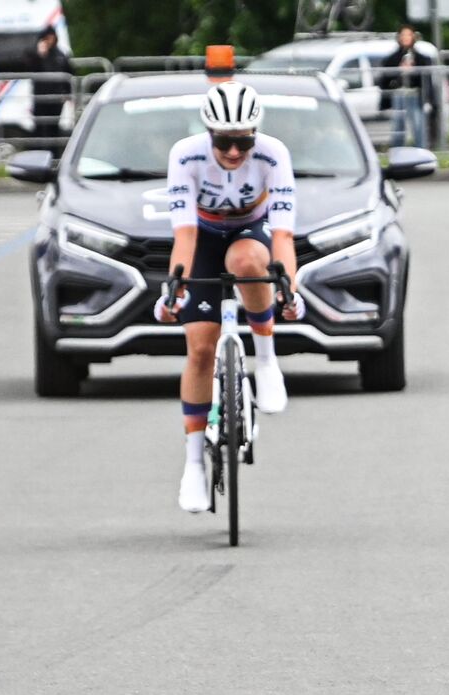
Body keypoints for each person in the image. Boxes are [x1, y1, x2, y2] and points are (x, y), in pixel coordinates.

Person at [157, 81, 306, 513]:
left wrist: (289, 291)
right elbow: (185, 236)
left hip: (250, 230)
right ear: (209, 134)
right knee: (201, 350)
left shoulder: (273, 154)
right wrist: (175, 289)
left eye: (244, 141)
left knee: (247, 260)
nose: (235, 151)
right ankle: (193, 466)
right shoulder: (185, 156)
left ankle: (266, 359)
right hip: (202, 235)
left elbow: (283, 236)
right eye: (224, 142)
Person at [379, 25, 434, 149]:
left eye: (408, 35)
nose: (405, 38)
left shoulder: (421, 58)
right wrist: (399, 71)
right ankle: (397, 150)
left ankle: (421, 150)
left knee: (418, 125)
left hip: (415, 94)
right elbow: (386, 79)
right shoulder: (392, 59)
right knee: (398, 126)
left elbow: (426, 80)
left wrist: (413, 71)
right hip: (399, 94)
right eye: (403, 35)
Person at [23, 25, 72, 157]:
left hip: (56, 99)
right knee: (39, 128)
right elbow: (30, 67)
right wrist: (40, 55)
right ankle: (37, 156)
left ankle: (54, 156)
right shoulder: (34, 53)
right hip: (40, 97)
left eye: (52, 37)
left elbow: (68, 73)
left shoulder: (61, 54)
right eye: (47, 38)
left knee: (54, 128)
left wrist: (67, 94)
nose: (50, 40)